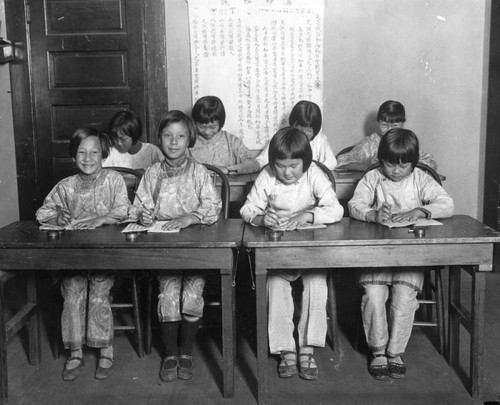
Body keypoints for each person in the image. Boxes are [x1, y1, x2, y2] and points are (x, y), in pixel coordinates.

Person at [348, 128, 454, 380]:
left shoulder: (421, 179)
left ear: (414, 163)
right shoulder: (373, 178)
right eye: (388, 164)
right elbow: (354, 204)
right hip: (377, 253)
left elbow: (447, 204)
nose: (395, 171)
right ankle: (378, 350)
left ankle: (395, 351)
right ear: (380, 160)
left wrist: (421, 211)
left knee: (404, 296)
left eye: (403, 165)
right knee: (374, 294)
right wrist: (372, 214)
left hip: (411, 255)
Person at [240, 127, 344, 380]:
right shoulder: (266, 175)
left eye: (294, 166)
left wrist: (308, 215)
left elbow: (336, 209)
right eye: (280, 165)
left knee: (317, 284)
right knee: (275, 285)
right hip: (278, 251)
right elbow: (247, 209)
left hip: (311, 251)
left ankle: (306, 347)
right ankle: (285, 348)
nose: (287, 172)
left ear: (305, 162)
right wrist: (262, 218)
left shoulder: (314, 174)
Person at [134, 110, 221, 382]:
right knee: (169, 293)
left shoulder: (199, 172)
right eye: (168, 136)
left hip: (195, 250)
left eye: (180, 136)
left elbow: (212, 206)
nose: (174, 142)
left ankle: (186, 351)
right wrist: (144, 214)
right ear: (159, 139)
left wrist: (189, 218)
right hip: (163, 248)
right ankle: (171, 353)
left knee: (192, 293)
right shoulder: (152, 173)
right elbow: (140, 206)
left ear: (189, 139)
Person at [36, 128, 130, 381]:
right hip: (73, 258)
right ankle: (75, 351)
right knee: (72, 289)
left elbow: (125, 210)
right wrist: (58, 216)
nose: (88, 158)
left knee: (99, 290)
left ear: (104, 154)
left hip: (106, 257)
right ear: (73, 155)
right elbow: (42, 213)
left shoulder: (113, 180)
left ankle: (105, 348)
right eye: (82, 152)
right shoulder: (66, 186)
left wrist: (101, 219)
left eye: (94, 152)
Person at [336, 100, 438, 171]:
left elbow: (431, 163)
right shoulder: (370, 144)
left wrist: (406, 167)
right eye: (384, 125)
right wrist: (370, 166)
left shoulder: (406, 142)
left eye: (395, 125)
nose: (389, 130)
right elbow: (341, 162)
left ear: (403, 124)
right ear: (378, 122)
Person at [256, 100, 337, 170]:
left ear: (316, 130)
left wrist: (310, 168)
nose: (303, 135)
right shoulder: (283, 136)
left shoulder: (320, 140)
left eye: (308, 130)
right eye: (299, 130)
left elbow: (332, 162)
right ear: (292, 125)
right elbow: (262, 161)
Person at [189, 95, 260, 174]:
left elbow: (254, 165)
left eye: (213, 127)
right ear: (195, 122)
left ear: (221, 123)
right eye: (201, 127)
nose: (207, 132)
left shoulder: (232, 142)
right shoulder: (189, 142)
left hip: (227, 185)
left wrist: (228, 170)